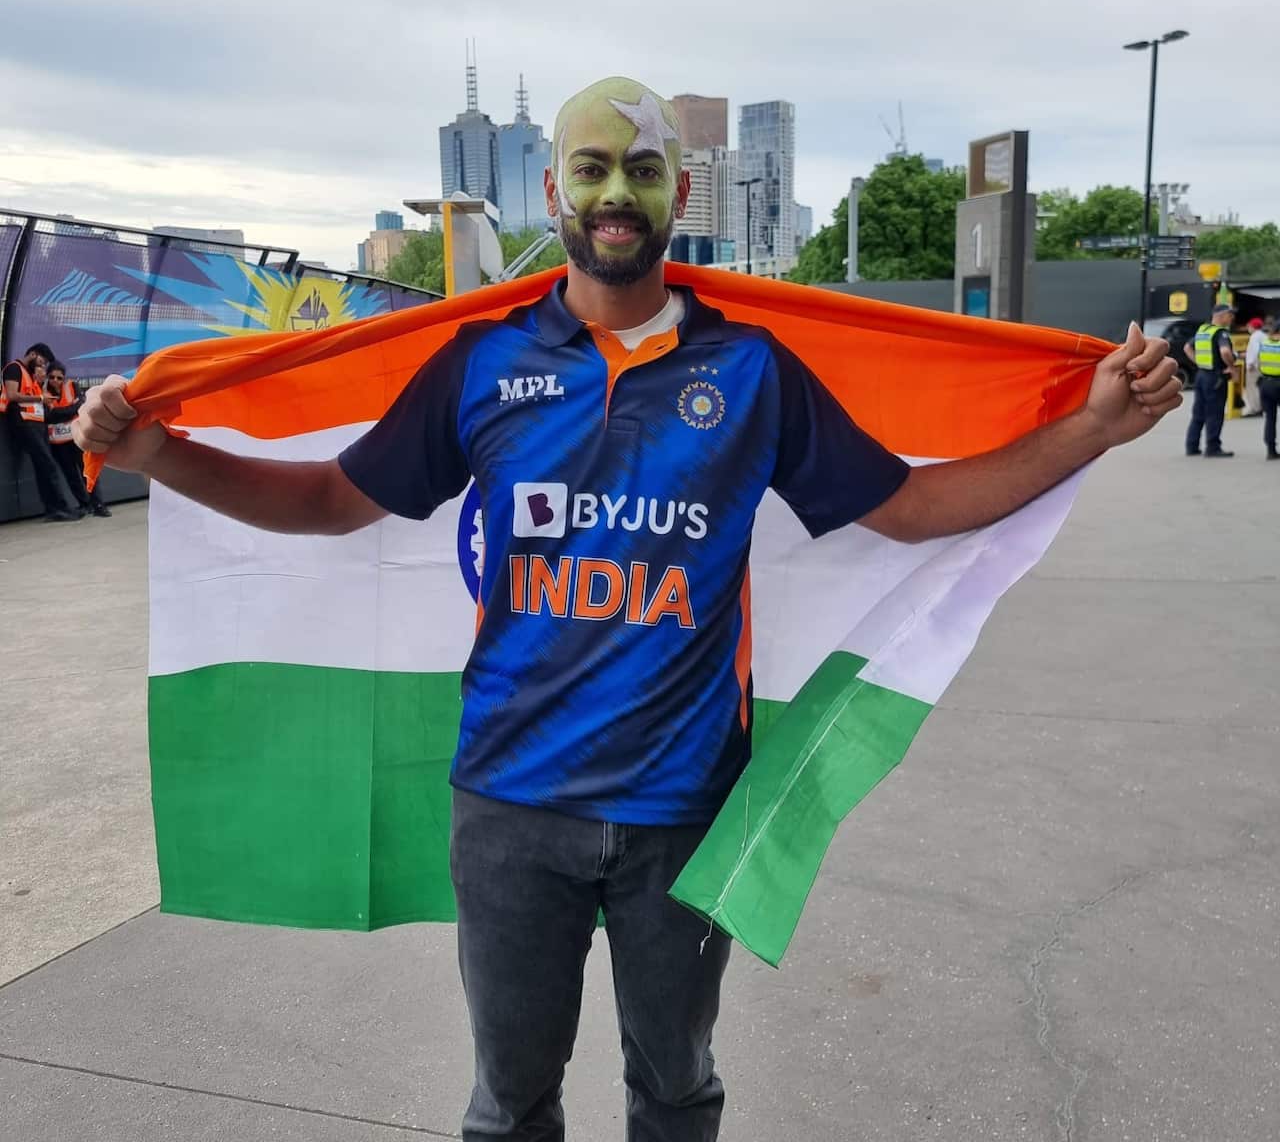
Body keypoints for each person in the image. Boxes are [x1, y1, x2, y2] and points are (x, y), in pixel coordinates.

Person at [75, 76, 1183, 1142]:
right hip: (509, 808)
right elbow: (328, 498)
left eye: (641, 170)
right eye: (591, 167)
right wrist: (158, 451)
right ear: (552, 193)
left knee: (675, 1085)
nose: (616, 193)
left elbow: (909, 504)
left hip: (682, 811)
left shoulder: (751, 370)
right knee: (507, 1105)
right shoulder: (483, 363)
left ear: (678, 198)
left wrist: (1087, 429)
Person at [2, 341, 79, 521]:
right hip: (24, 423)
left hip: (37, 424)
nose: (42, 366)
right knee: (48, 465)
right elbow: (12, 395)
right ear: (33, 354)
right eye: (41, 362)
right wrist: (39, 398)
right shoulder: (14, 368)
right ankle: (60, 508)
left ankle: (55, 509)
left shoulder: (29, 374)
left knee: (44, 466)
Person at [44, 361, 112, 517]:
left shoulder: (72, 386)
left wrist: (59, 412)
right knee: (71, 475)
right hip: (58, 442)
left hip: (76, 438)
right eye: (52, 377)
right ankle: (84, 504)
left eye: (59, 378)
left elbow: (79, 407)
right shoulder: (43, 391)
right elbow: (48, 416)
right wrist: (67, 411)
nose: (55, 381)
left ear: (64, 378)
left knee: (87, 472)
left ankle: (99, 505)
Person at [1183, 302, 1238, 458]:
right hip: (1216, 377)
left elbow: (1187, 348)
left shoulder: (1203, 330)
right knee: (1215, 412)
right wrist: (1231, 365)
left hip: (1202, 375)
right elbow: (1225, 352)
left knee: (1198, 411)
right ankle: (1213, 447)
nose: (1232, 317)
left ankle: (1191, 446)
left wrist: (1198, 362)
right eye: (1229, 314)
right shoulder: (1221, 333)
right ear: (1221, 316)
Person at [1257, 317, 1280, 461]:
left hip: (1265, 383)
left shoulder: (1264, 343)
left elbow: (1259, 363)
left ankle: (1270, 450)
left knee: (1270, 419)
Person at [1244, 316, 1266, 416]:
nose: (1248, 328)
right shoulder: (1263, 335)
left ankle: (1255, 408)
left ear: (1253, 326)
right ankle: (1260, 407)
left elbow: (1256, 350)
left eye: (1249, 326)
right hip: (1262, 366)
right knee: (1259, 387)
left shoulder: (1254, 337)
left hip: (1254, 366)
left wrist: (1251, 363)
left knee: (1252, 387)